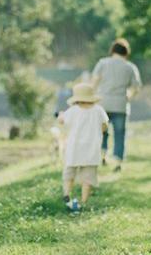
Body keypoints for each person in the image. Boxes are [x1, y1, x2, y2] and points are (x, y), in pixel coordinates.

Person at [92, 38, 142, 172]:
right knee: (120, 134)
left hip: (103, 103)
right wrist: (129, 96)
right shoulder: (130, 67)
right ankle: (118, 163)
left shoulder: (103, 63)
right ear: (126, 52)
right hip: (121, 105)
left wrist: (91, 98)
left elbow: (95, 81)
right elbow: (136, 87)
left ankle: (102, 156)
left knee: (102, 131)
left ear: (112, 50)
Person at [58, 83, 108, 211]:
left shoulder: (73, 110)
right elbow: (104, 126)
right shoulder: (98, 110)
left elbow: (63, 121)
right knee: (88, 177)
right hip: (92, 149)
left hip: (74, 148)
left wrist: (60, 116)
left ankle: (67, 194)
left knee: (69, 173)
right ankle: (84, 201)